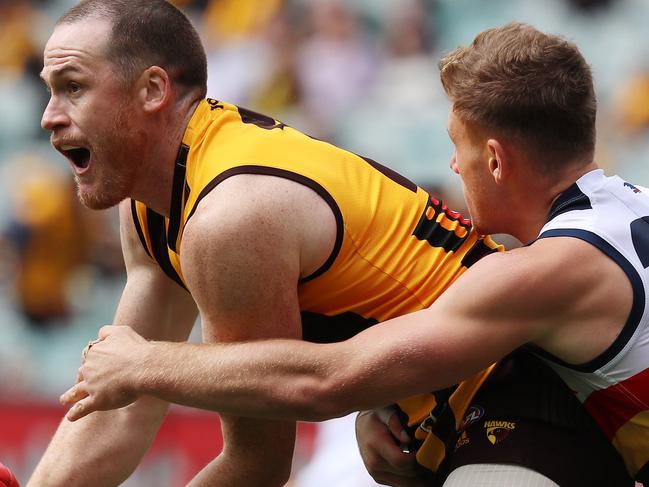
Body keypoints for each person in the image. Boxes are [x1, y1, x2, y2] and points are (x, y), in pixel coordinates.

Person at [59, 23, 648, 486]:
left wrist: (143, 365)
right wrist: (386, 407)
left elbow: (328, 382)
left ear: (493, 160)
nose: (451, 167)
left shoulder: (547, 271)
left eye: (456, 147)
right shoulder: (621, 213)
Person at [29, 1, 507, 486]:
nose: (49, 116)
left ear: (153, 89)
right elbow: (118, 410)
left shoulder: (229, 216)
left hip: (514, 401)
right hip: (446, 420)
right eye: (50, 91)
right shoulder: (154, 200)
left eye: (73, 88)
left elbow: (257, 465)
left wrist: (146, 366)